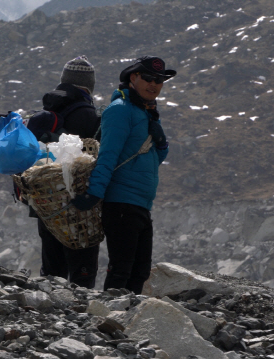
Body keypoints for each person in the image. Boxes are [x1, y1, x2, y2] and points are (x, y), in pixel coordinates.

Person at [71, 56, 175, 294]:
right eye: (148, 78)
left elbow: (150, 161)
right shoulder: (120, 111)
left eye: (159, 80)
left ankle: (126, 324)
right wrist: (94, 192)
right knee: (122, 270)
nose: (154, 84)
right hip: (121, 203)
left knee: (140, 272)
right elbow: (108, 155)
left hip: (140, 203)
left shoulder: (145, 112)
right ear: (133, 78)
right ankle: (109, 321)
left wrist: (161, 144)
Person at [20, 55, 101, 288]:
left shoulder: (46, 114)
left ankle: (49, 311)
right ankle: (80, 308)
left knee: (52, 263)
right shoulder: (89, 116)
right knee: (81, 264)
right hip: (79, 203)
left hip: (46, 200)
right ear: (89, 86)